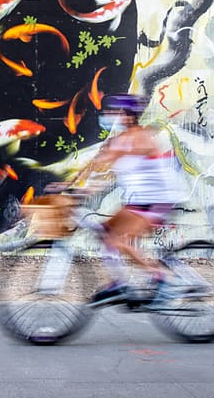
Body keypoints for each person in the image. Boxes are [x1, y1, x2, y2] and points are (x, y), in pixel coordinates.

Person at [55, 93, 188, 308]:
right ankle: (119, 283)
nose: (107, 116)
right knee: (106, 234)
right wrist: (67, 186)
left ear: (126, 116)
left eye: (112, 112)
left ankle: (162, 279)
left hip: (157, 200)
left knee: (118, 241)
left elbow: (112, 158)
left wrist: (85, 185)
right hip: (140, 201)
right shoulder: (118, 140)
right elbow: (95, 165)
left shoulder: (139, 137)